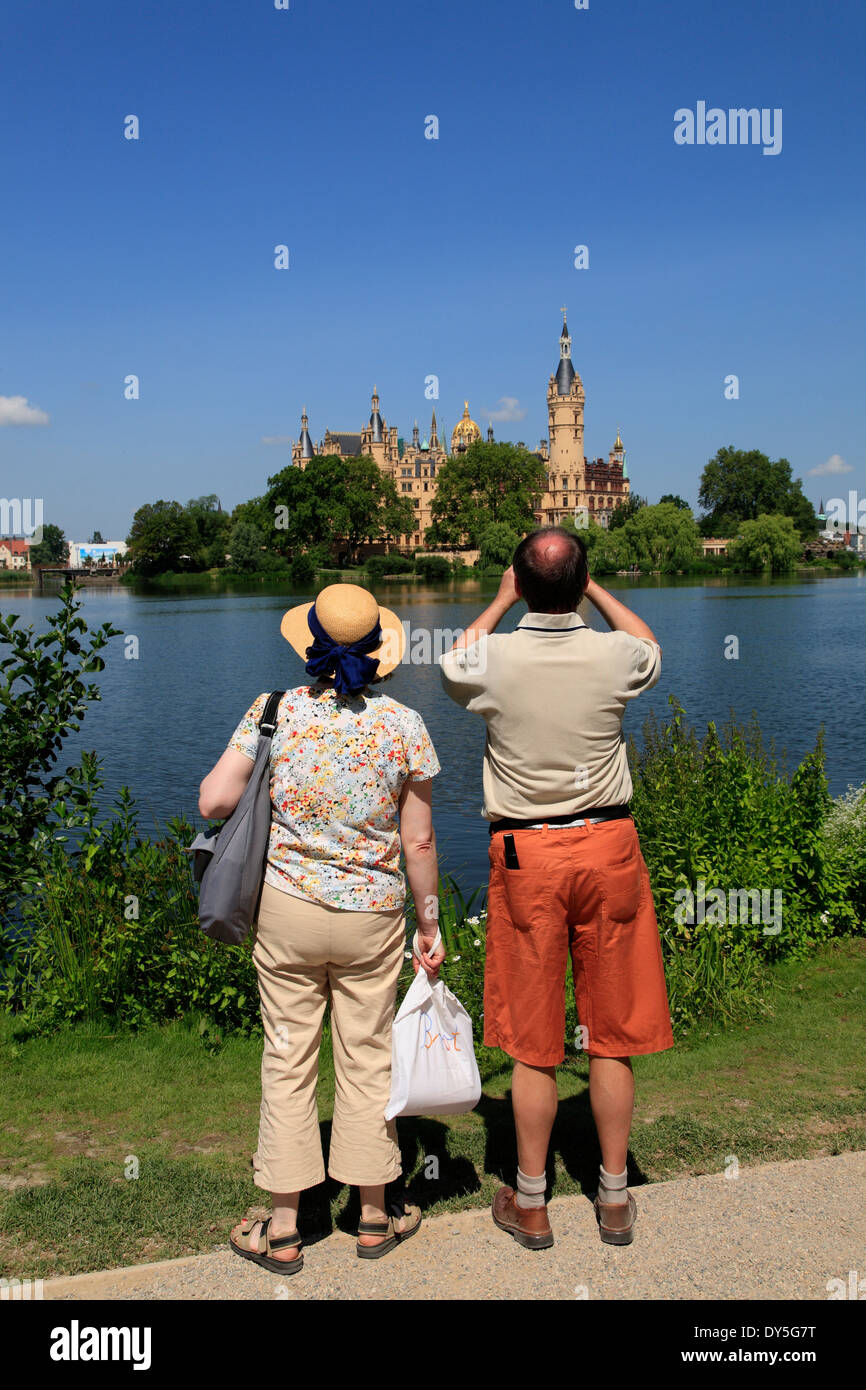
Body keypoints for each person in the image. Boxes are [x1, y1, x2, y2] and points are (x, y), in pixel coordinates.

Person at [199, 582, 445, 1273]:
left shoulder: (273, 712)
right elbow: (419, 844)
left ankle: (281, 1228)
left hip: (288, 911)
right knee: (367, 1055)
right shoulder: (403, 725)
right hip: (372, 915)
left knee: (287, 1056)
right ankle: (373, 1214)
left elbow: (214, 800)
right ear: (379, 648)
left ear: (309, 644)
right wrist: (429, 924)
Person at [439, 527, 673, 1250]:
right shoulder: (612, 656)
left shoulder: (494, 660)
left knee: (535, 1040)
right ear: (580, 585)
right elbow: (649, 642)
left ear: (519, 583)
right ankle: (612, 1197)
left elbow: (452, 657)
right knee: (613, 1031)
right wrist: (593, 588)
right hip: (608, 844)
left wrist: (503, 599)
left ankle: (533, 1202)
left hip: (527, 853)